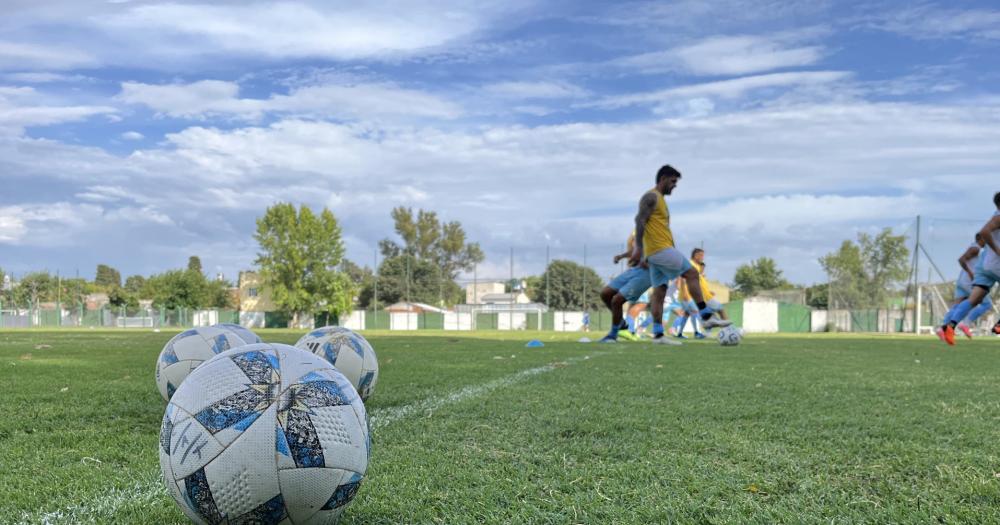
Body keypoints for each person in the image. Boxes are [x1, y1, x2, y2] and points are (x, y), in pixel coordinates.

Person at [629, 165, 731, 344]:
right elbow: (640, 220)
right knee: (692, 273)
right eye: (673, 181)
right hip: (660, 250)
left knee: (659, 293)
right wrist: (638, 249)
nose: (674, 185)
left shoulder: (659, 199)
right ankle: (706, 317)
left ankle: (659, 335)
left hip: (656, 252)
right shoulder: (651, 196)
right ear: (663, 179)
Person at [940, 191, 1000, 345]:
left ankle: (950, 326)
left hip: (985, 267)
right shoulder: (998, 217)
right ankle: (998, 326)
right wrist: (997, 250)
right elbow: (985, 231)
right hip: (996, 264)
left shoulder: (996, 214)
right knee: (978, 301)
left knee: (974, 299)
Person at [937, 234, 993, 341]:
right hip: (969, 282)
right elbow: (961, 259)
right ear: (981, 239)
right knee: (986, 303)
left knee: (956, 306)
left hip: (962, 281)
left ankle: (942, 329)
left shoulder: (976, 249)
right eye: (986, 239)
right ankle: (966, 323)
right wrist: (971, 273)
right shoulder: (975, 249)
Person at [598, 233, 649, 342]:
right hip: (634, 270)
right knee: (605, 293)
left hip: (646, 274)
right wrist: (621, 256)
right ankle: (622, 324)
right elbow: (636, 250)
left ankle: (616, 333)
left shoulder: (659, 234)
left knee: (619, 301)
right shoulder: (640, 230)